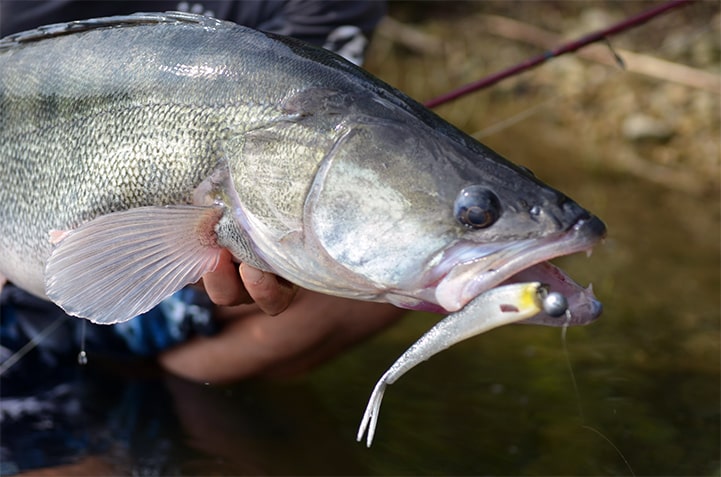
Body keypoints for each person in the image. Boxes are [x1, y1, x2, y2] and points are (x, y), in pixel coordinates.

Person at [0, 0, 404, 384]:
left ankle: (166, 382)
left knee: (381, 282)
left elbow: (312, 115)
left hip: (168, 277)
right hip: (25, 284)